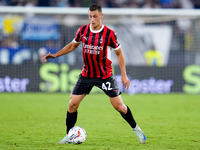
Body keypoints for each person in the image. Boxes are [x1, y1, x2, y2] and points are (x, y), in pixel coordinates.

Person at [42, 4, 146, 144]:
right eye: (90, 16)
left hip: (104, 76)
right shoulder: (83, 30)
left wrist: (123, 75)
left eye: (95, 16)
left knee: (119, 107)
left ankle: (136, 129)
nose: (92, 19)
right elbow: (73, 45)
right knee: (72, 104)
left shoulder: (109, 34)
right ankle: (69, 136)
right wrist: (55, 55)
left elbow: (119, 54)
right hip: (86, 75)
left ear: (101, 16)